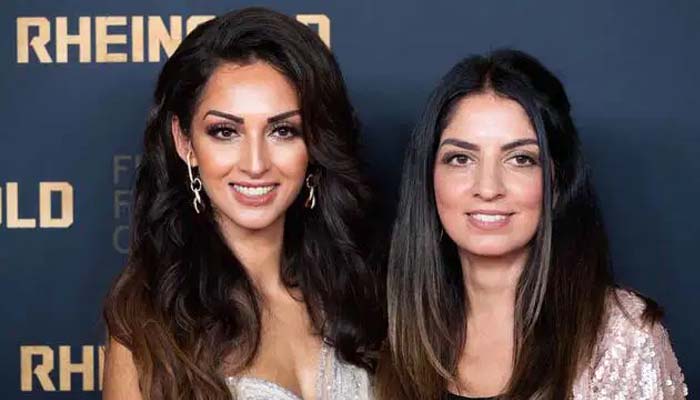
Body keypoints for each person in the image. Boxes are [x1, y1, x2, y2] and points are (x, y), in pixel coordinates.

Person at [102, 7, 382, 400]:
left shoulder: (361, 291)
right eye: (225, 131)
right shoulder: (151, 322)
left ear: (315, 143)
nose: (255, 164)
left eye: (283, 130)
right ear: (185, 142)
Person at [376, 49, 687, 399]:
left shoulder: (622, 337)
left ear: (558, 180)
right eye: (461, 158)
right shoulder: (390, 331)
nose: (488, 188)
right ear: (428, 177)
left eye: (520, 159)